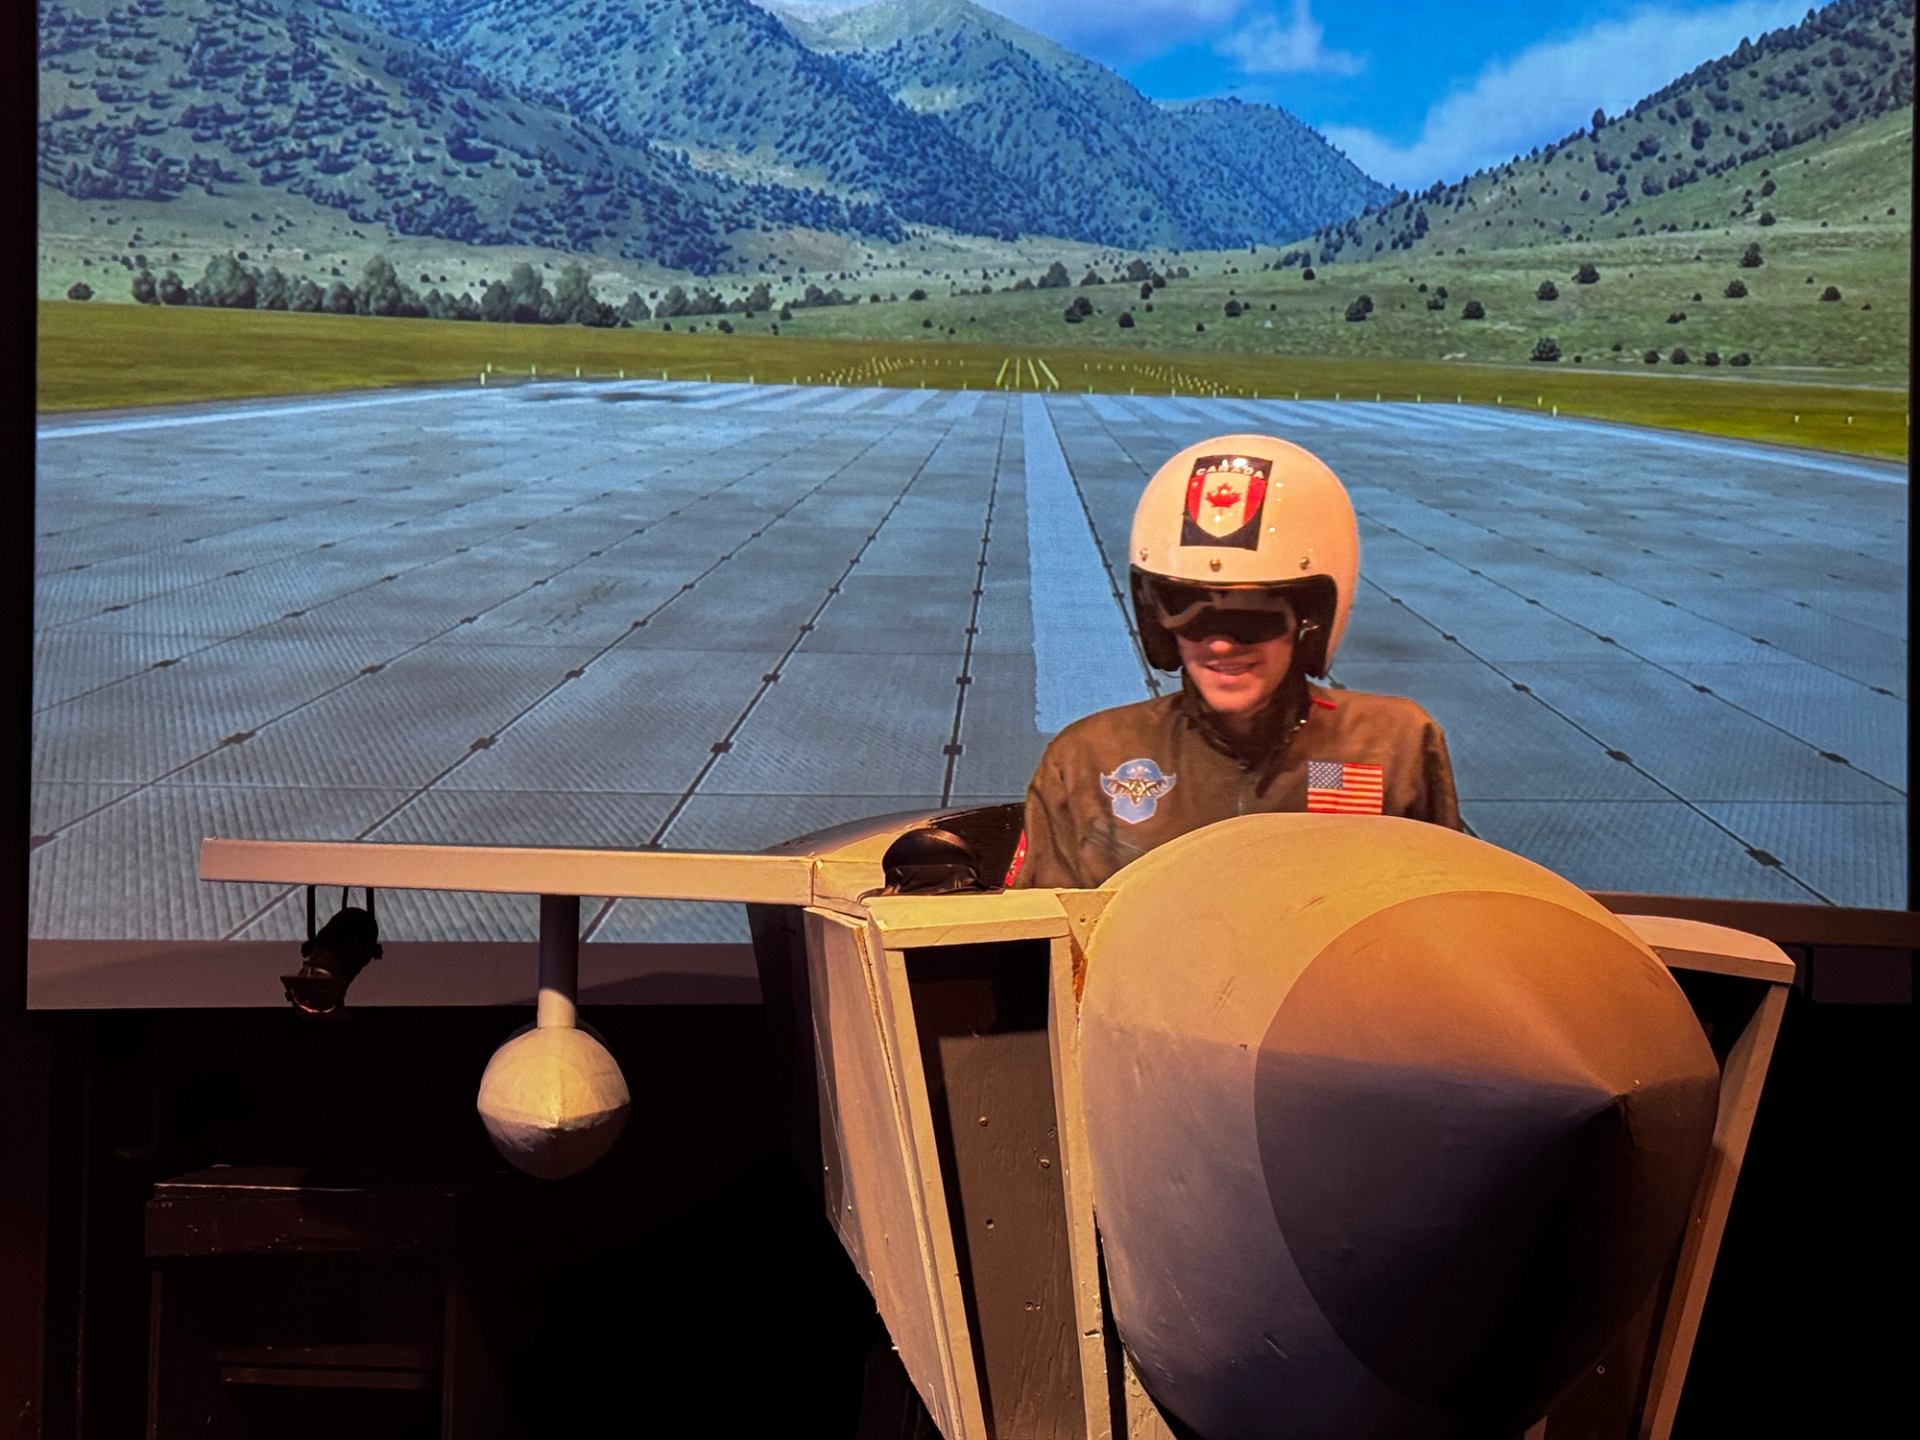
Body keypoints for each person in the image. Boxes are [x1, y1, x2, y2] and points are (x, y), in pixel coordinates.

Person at [1009, 433, 1461, 890]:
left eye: (1252, 619)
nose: (1221, 647)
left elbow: (1442, 914)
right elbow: (1044, 937)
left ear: (1309, 622)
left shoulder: (1394, 746)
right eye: (1187, 611)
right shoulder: (1089, 759)